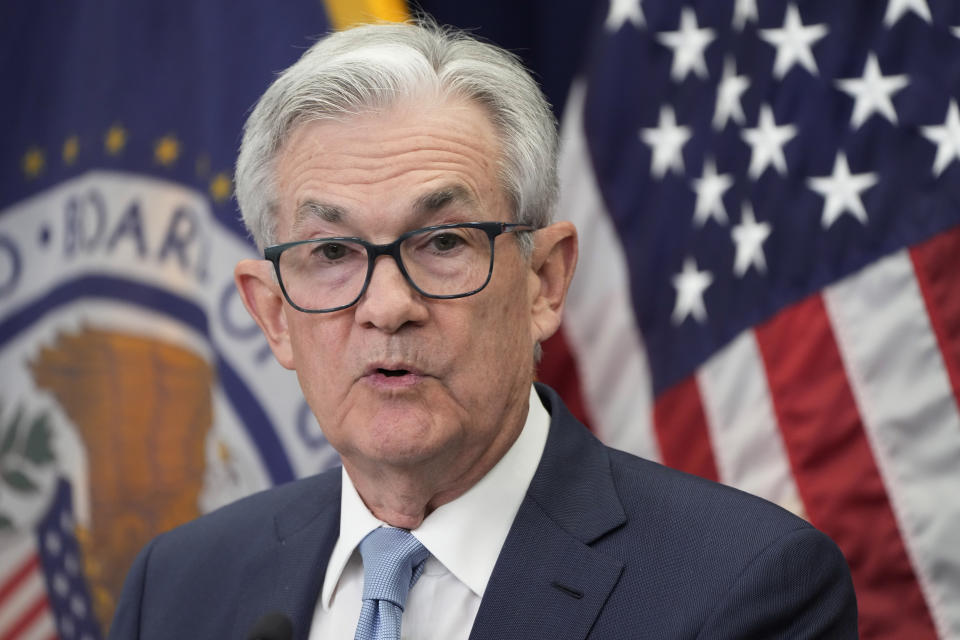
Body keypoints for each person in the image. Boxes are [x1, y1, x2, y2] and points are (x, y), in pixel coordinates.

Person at [108, 19, 857, 640]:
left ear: (545, 281)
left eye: (442, 243)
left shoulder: (745, 590)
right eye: (332, 252)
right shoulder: (176, 590)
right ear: (273, 313)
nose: (387, 305)